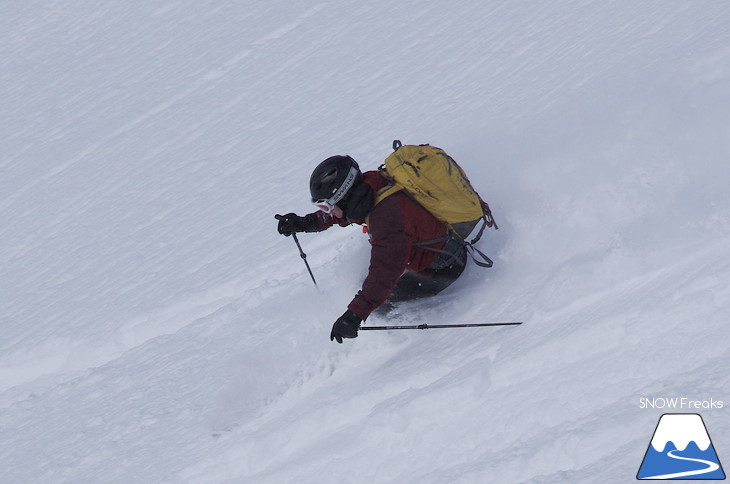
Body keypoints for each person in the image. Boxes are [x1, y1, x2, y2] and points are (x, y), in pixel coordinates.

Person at [276, 155, 467, 343]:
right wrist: (305, 222)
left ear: (343, 196)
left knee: (380, 305)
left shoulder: (387, 218)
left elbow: (385, 273)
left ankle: (395, 343)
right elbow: (343, 214)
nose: (328, 212)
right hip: (437, 250)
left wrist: (354, 315)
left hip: (442, 268)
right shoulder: (370, 188)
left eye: (326, 206)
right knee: (367, 291)